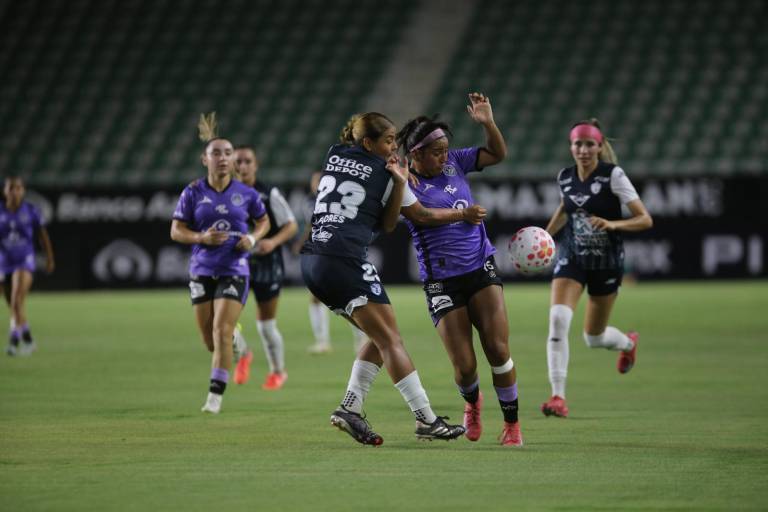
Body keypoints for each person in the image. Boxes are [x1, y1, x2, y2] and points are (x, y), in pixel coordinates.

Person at [301, 112, 486, 445]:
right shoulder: (386, 172)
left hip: (313, 260)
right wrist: (404, 183)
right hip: (344, 259)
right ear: (368, 143)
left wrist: (397, 181)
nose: (393, 147)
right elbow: (419, 216)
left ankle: (350, 407)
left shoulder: (335, 153)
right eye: (388, 141)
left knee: (380, 336)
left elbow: (381, 218)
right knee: (391, 341)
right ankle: (426, 419)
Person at [396, 93, 523, 447]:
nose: (444, 156)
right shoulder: (404, 182)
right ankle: (472, 403)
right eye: (437, 152)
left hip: (480, 268)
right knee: (465, 367)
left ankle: (512, 424)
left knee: (498, 349)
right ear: (416, 154)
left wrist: (488, 123)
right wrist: (462, 214)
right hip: (442, 282)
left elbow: (497, 154)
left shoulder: (454, 162)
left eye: (445, 150)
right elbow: (420, 216)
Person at [541, 119, 653, 418]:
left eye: (589, 144)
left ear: (600, 147)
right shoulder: (565, 177)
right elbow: (565, 209)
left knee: (594, 337)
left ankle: (627, 343)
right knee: (558, 321)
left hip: (606, 262)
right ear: (571, 147)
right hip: (573, 257)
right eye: (578, 143)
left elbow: (645, 219)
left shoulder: (613, 175)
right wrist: (544, 239)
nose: (583, 149)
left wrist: (613, 224)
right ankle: (557, 397)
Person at [171, 113, 270, 414]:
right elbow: (176, 231)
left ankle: (214, 398)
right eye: (216, 153)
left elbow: (263, 222)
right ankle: (241, 346)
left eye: (228, 153)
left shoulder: (247, 194)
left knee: (220, 330)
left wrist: (252, 238)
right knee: (211, 341)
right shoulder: (192, 192)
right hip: (202, 269)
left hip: (235, 268)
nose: (223, 158)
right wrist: (200, 237)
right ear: (205, 159)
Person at [234, 145, 298, 390]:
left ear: (256, 165)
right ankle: (243, 352)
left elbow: (291, 225)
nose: (242, 166)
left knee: (266, 326)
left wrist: (272, 241)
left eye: (247, 161)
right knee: (223, 321)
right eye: (238, 161)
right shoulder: (225, 194)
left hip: (267, 263)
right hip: (235, 263)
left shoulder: (269, 193)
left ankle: (278, 372)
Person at [292, 170, 370, 355]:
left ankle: (362, 338)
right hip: (319, 253)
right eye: (314, 181)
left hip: (337, 252)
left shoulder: (336, 201)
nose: (316, 185)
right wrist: (303, 242)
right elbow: (312, 225)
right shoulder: (310, 201)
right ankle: (323, 341)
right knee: (317, 297)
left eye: (319, 181)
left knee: (348, 297)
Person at [0, 176, 55, 356]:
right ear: (5, 191)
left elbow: (43, 235)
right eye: (10, 188)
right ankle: (27, 339)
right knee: (13, 305)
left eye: (18, 188)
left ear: (23, 191)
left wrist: (49, 257)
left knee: (16, 300)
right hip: (4, 262)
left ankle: (14, 342)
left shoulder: (31, 210)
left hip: (24, 260)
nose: (14, 192)